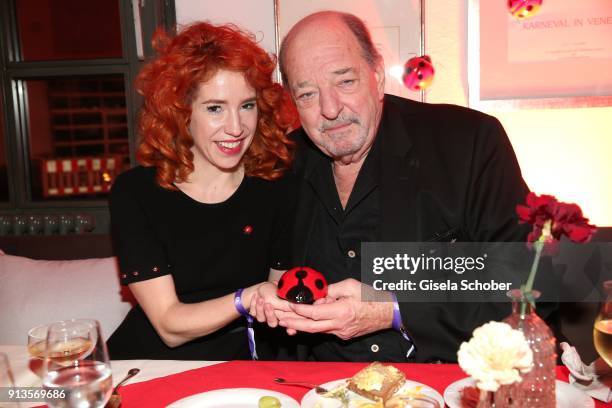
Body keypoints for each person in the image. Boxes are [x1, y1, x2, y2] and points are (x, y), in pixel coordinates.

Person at [251, 11, 556, 363]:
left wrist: (393, 309)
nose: (330, 109)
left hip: (442, 385)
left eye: (345, 81)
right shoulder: (281, 167)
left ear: (377, 74)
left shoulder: (467, 143)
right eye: (307, 94)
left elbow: (532, 283)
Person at [106, 21, 297, 360]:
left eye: (247, 105)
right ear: (181, 112)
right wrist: (245, 298)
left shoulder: (275, 190)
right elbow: (169, 325)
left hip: (243, 366)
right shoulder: (135, 193)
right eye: (215, 108)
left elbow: (277, 300)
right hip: (151, 365)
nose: (236, 128)